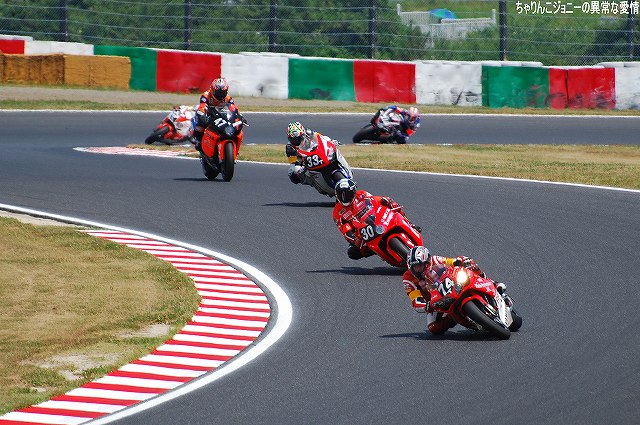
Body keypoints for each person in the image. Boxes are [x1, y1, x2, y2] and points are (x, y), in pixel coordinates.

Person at [402, 246, 507, 335]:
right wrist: (426, 305)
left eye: (420, 266)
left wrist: (460, 261)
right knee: (433, 328)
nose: (418, 270)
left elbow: (451, 261)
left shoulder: (435, 260)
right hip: (436, 301)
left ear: (427, 262)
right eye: (415, 267)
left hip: (451, 286)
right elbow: (415, 299)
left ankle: (492, 283)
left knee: (468, 262)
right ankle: (455, 317)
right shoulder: (408, 279)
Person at [332, 178, 420, 260]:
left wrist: (386, 200)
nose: (345, 198)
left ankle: (409, 223)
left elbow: (375, 200)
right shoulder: (337, 212)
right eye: (341, 195)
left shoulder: (362, 194)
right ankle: (374, 250)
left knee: (393, 205)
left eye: (348, 194)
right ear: (336, 195)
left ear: (354, 192)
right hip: (362, 233)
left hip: (375, 218)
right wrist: (355, 240)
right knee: (352, 253)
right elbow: (345, 230)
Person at [193, 77, 245, 151]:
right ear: (212, 90)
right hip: (209, 113)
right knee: (200, 125)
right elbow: (202, 106)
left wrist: (240, 116)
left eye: (222, 92)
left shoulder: (228, 98)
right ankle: (198, 141)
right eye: (218, 92)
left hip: (221, 113)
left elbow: (234, 108)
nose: (220, 95)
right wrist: (202, 115)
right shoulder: (206, 95)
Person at [285, 121, 337, 186]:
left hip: (317, 154)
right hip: (305, 163)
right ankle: (315, 183)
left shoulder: (309, 133)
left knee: (333, 152)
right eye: (293, 140)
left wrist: (330, 141)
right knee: (292, 174)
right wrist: (299, 167)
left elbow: (321, 138)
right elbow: (292, 162)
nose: (296, 141)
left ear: (303, 134)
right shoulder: (290, 147)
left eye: (299, 138)